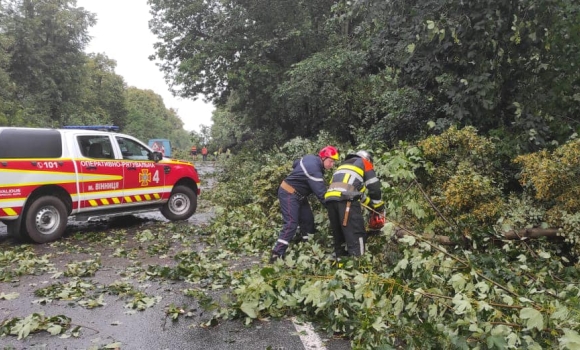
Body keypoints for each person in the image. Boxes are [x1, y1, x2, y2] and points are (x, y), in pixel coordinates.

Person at [269, 146, 340, 262]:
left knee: (308, 221)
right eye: (330, 161)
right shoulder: (314, 169)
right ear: (323, 158)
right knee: (291, 223)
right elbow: (322, 195)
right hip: (288, 193)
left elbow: (295, 163)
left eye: (333, 162)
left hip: (300, 196)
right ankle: (276, 254)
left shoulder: (310, 158)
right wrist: (334, 210)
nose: (332, 165)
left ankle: (307, 248)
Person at [324, 150, 384, 258]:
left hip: (330, 200)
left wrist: (370, 205)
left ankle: (341, 268)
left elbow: (356, 194)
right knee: (357, 236)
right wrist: (378, 205)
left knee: (340, 238)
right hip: (346, 200)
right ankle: (359, 266)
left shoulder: (343, 166)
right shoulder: (365, 163)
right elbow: (374, 187)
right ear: (368, 159)